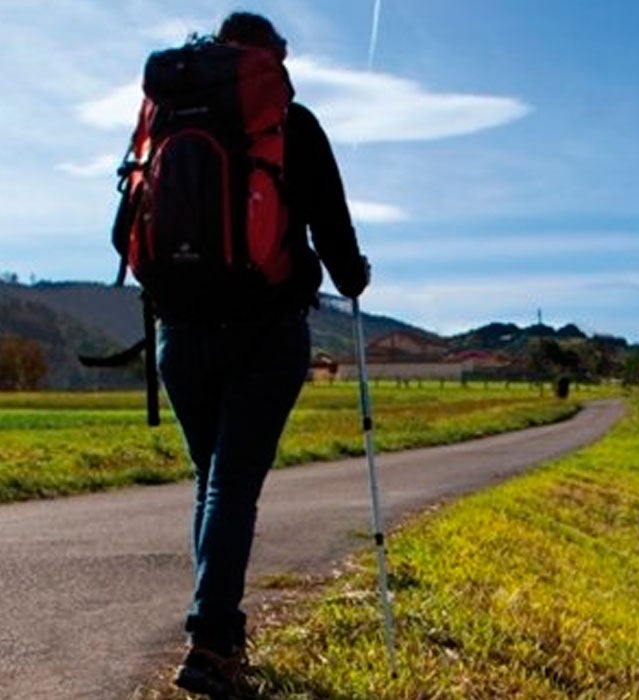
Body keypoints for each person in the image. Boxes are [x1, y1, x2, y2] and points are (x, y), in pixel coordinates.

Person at [152, 12, 370, 696]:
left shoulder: (166, 116)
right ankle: (213, 643)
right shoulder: (287, 121)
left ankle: (214, 631)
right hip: (263, 330)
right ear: (270, 58)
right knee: (232, 485)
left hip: (178, 330)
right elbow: (333, 231)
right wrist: (354, 276)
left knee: (210, 480)